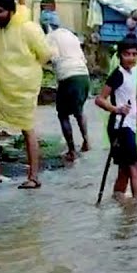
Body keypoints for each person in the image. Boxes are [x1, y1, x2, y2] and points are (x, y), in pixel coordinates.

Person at [0, 0, 53, 189]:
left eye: (1, 11)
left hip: (23, 88)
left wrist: (25, 72)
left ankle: (33, 177)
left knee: (27, 128)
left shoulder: (29, 29)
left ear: (12, 11)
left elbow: (45, 55)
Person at [95, 36, 137, 200]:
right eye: (126, 54)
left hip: (129, 124)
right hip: (119, 127)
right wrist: (116, 109)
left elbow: (133, 92)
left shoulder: (134, 71)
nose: (131, 58)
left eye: (134, 54)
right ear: (119, 56)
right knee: (135, 167)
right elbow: (100, 99)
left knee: (125, 169)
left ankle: (120, 203)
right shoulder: (117, 74)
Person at [41, 10, 92, 162]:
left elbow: (52, 57)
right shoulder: (71, 35)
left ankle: (71, 151)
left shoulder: (50, 37)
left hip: (68, 77)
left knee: (63, 114)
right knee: (79, 111)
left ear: (46, 25)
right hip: (84, 76)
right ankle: (86, 141)